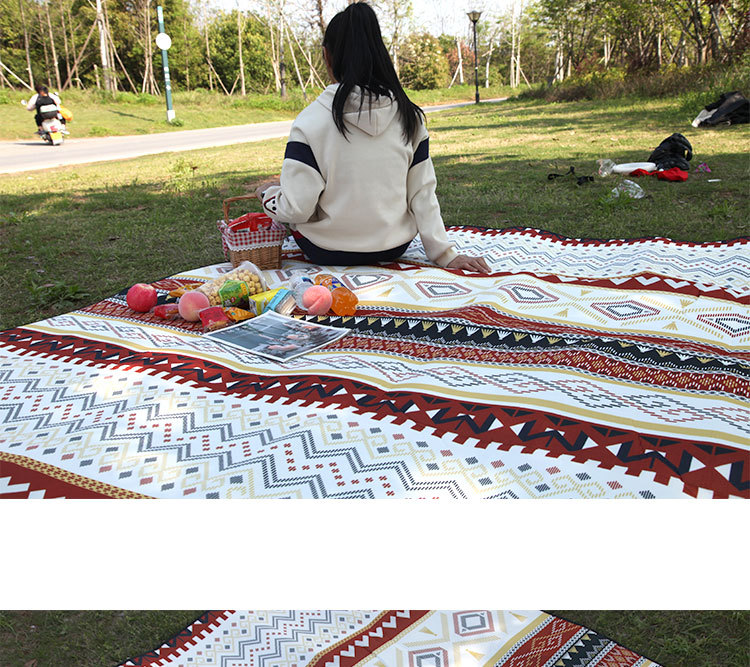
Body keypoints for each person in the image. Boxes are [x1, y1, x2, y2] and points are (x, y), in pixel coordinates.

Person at [256, 2, 490, 273]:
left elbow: (296, 209)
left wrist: (267, 194)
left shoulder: (310, 120)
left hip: (325, 250)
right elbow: (422, 193)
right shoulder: (409, 116)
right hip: (393, 247)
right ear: (379, 53)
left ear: (327, 56)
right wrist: (445, 254)